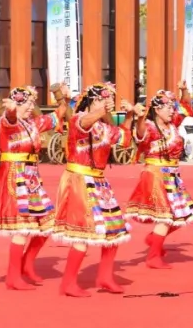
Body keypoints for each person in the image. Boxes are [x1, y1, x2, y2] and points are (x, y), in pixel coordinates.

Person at [52, 83, 137, 297]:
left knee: (114, 229)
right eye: (100, 100)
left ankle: (105, 276)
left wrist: (129, 115)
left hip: (99, 180)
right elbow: (85, 123)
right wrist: (102, 110)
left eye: (106, 100)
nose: (104, 104)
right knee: (84, 232)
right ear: (91, 101)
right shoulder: (79, 119)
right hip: (79, 178)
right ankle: (68, 282)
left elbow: (125, 140)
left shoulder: (106, 127)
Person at [0, 86, 69, 290]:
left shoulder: (33, 124)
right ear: (17, 104)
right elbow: (10, 118)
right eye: (27, 104)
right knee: (21, 228)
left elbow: (58, 115)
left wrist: (63, 98)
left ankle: (27, 263)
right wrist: (11, 109)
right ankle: (13, 277)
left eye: (32, 104)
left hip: (31, 179)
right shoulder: (8, 123)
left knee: (47, 224)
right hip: (14, 178)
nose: (31, 107)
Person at [124, 87, 193, 269]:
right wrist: (139, 117)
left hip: (172, 175)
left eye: (172, 107)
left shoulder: (172, 124)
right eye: (168, 107)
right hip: (155, 174)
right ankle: (153, 256)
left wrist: (183, 90)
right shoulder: (150, 125)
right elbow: (141, 135)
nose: (172, 110)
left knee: (181, 215)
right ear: (157, 109)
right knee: (165, 217)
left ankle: (154, 240)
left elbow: (187, 106)